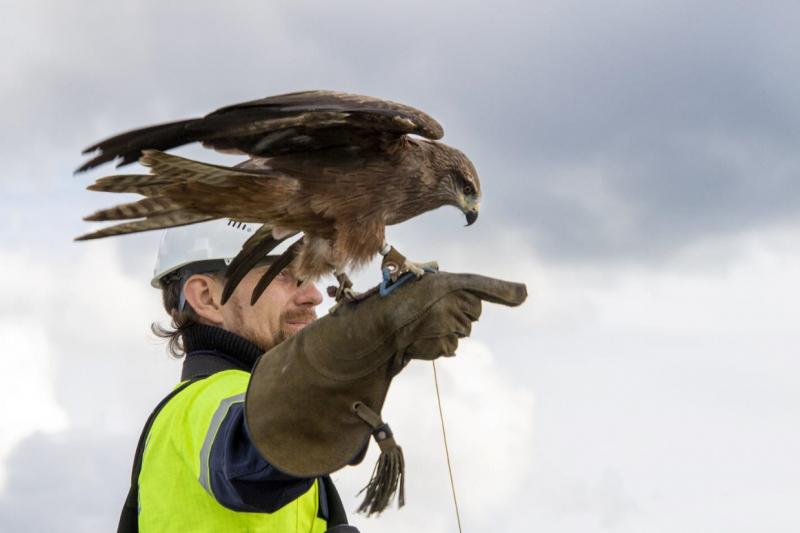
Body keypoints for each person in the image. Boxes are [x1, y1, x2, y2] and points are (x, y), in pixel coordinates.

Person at [122, 219, 350, 533]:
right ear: (207, 298)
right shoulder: (210, 400)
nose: (313, 295)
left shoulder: (250, 401)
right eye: (282, 273)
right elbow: (254, 462)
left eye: (310, 275)